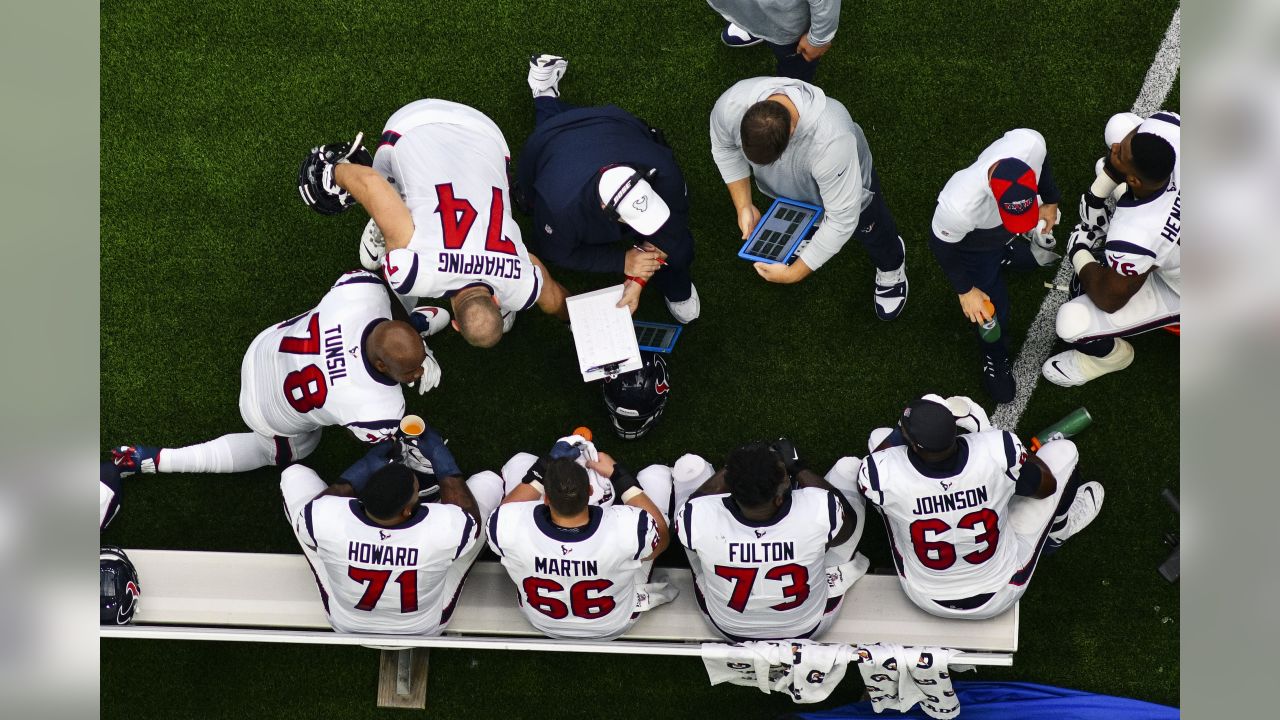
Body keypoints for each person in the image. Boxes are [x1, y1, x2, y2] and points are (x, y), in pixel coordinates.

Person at [297, 99, 570, 348]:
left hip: (488, 133)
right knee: (390, 208)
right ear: (454, 322)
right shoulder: (413, 274)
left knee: (412, 218)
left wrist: (574, 319)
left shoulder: (522, 284)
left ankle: (394, 222)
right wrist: (333, 172)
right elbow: (371, 186)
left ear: (496, 301)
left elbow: (555, 297)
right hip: (412, 125)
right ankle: (383, 227)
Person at [112, 270, 440, 476]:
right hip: (264, 416)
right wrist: (401, 443)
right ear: (382, 366)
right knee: (286, 451)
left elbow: (387, 301)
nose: (417, 373)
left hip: (263, 349)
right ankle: (160, 460)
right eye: (411, 371)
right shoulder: (379, 410)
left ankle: (415, 328)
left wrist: (413, 341)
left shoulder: (361, 288)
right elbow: (381, 439)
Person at [858, 394, 1103, 620]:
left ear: (912, 443)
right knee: (1064, 452)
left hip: (924, 594)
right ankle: (1057, 532)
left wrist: (902, 432)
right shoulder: (997, 448)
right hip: (1000, 590)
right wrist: (988, 433)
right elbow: (1046, 487)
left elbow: (870, 470)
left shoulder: (879, 472)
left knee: (878, 441)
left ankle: (1053, 528)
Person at [518, 55, 700, 323]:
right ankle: (544, 94)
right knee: (551, 128)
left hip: (609, 124)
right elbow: (556, 251)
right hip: (556, 140)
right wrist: (622, 260)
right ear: (605, 208)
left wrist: (638, 277)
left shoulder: (664, 171)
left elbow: (675, 220)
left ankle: (676, 287)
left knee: (681, 247)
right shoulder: (560, 207)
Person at [710, 77, 908, 320]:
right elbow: (724, 148)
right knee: (809, 219)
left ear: (792, 133)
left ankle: (891, 265)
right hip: (796, 191)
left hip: (851, 191)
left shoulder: (831, 141)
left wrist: (793, 274)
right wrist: (743, 205)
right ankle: (812, 231)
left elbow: (841, 220)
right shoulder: (732, 104)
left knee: (869, 226)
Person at [279, 424, 503, 635]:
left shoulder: (329, 517)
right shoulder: (440, 529)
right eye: (416, 492)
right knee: (489, 482)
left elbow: (314, 513)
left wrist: (362, 468)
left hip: (347, 622)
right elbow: (469, 522)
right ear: (406, 511)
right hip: (421, 627)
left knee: (294, 476)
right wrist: (443, 464)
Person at [676, 440, 867, 641]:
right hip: (807, 627)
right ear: (778, 498)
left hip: (729, 628)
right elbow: (847, 528)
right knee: (848, 470)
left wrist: (738, 469)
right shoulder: (817, 509)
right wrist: (798, 468)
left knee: (689, 468)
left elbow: (694, 503)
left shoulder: (698, 515)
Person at [1043, 111, 1181, 386]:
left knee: (1072, 320)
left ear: (1135, 181)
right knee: (1119, 125)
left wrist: (1078, 250)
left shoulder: (1137, 234)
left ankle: (1111, 357)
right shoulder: (1170, 131)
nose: (1115, 148)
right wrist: (1096, 195)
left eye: (1121, 154)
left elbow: (1109, 297)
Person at [929, 129, 1063, 402]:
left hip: (998, 233)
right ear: (992, 192)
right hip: (974, 244)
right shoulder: (959, 206)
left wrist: (1049, 200)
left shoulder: (1031, 144)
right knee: (991, 309)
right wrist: (966, 290)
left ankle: (1003, 251)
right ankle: (995, 356)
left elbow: (1044, 161)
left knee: (1018, 251)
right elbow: (940, 244)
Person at [486, 448, 676, 640]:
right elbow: (661, 538)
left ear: (546, 498)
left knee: (522, 460)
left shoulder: (507, 524)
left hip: (542, 620)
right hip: (612, 624)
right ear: (591, 492)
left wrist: (543, 466)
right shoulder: (627, 527)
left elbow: (505, 511)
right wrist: (619, 477)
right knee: (655, 475)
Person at [708, 0, 842, 83]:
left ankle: (791, 86)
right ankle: (756, 25)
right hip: (745, 8)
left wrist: (818, 40)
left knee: (795, 68)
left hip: (787, 28)